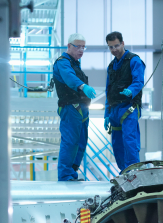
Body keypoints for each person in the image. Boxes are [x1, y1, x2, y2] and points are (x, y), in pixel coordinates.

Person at [53, 33, 97, 181]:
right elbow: (69, 77)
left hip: (82, 109)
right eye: (78, 46)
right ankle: (65, 175)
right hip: (71, 108)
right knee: (70, 141)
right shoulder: (63, 62)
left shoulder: (75, 64)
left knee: (81, 142)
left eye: (84, 47)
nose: (81, 50)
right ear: (69, 46)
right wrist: (83, 86)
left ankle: (72, 172)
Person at [103, 31, 146, 172]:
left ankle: (134, 173)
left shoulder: (134, 60)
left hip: (129, 108)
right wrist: (106, 113)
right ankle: (124, 173)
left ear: (123, 43)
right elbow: (108, 90)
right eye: (111, 47)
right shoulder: (111, 66)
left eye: (116, 46)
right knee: (117, 144)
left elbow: (139, 81)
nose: (114, 49)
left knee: (129, 141)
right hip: (114, 109)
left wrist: (132, 90)